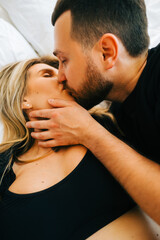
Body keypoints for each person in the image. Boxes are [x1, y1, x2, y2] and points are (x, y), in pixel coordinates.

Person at [25, 0, 160, 225]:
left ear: (107, 52)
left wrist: (90, 133)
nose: (60, 76)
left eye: (64, 60)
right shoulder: (119, 112)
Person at [0, 57, 157, 240]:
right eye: (47, 74)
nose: (62, 77)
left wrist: (90, 131)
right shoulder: (4, 168)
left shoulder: (112, 122)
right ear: (22, 99)